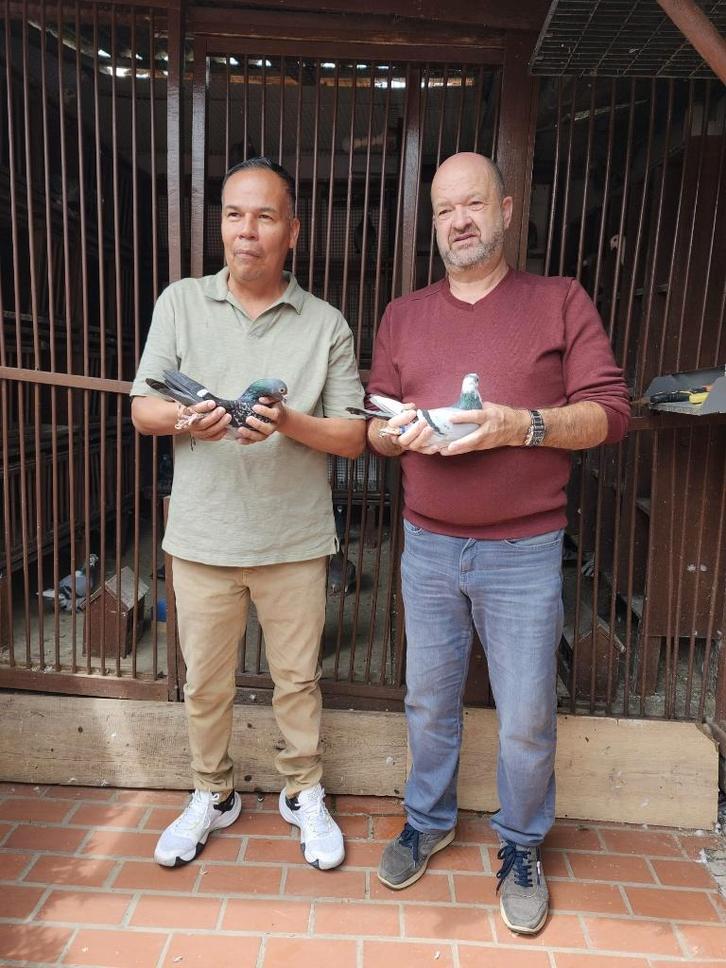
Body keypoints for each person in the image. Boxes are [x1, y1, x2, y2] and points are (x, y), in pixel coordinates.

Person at [367, 152, 630, 934]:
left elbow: (611, 412)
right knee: (428, 698)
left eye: (474, 203)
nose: (459, 221)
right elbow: (373, 427)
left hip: (525, 547)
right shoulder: (402, 315)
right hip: (428, 544)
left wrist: (526, 424)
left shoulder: (559, 301)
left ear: (507, 210)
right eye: (446, 208)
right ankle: (430, 817)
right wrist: (396, 431)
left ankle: (520, 845)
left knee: (524, 713)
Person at [130, 157, 365, 871]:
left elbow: (354, 434)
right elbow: (142, 410)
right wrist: (185, 418)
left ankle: (302, 792)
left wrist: (290, 421)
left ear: (292, 231)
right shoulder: (180, 303)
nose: (247, 231)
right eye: (235, 214)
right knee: (205, 681)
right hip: (202, 536)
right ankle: (212, 793)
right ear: (220, 224)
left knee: (297, 680)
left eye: (265, 217)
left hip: (294, 539)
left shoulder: (325, 323)